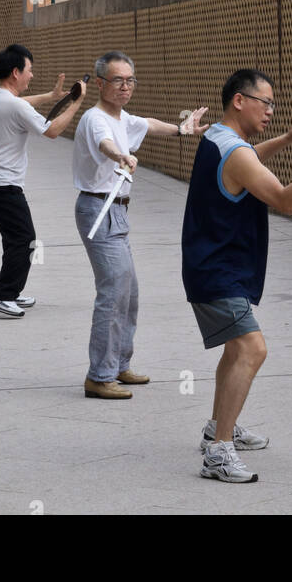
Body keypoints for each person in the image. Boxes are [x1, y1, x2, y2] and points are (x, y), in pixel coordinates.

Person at [181, 69, 292, 483]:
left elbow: (247, 158)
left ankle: (218, 428)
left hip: (209, 264)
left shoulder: (217, 136)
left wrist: (287, 139)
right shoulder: (237, 153)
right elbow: (286, 200)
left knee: (234, 352)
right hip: (218, 272)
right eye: (265, 102)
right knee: (252, 350)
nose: (271, 109)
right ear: (239, 101)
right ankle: (218, 453)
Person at [74, 50, 207, 399]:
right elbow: (104, 144)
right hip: (98, 209)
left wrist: (182, 130)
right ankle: (99, 376)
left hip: (117, 212)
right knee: (112, 292)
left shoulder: (122, 118)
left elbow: (146, 123)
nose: (125, 86)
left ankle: (118, 365)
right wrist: (121, 155)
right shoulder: (95, 119)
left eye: (130, 80)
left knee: (128, 294)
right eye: (118, 80)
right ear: (100, 83)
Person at [0, 43, 86, 317]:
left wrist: (52, 96)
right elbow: (52, 131)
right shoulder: (13, 105)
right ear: (16, 72)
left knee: (14, 238)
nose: (32, 75)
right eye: (30, 70)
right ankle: (1, 294)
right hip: (3, 185)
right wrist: (75, 103)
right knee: (27, 239)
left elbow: (21, 104)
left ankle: (10, 291)